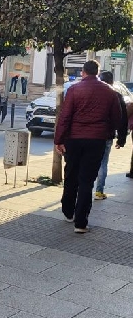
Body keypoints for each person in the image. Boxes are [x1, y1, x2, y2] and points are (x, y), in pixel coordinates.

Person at [54, 60, 122, 234]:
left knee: (71, 175)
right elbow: (116, 118)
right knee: (87, 181)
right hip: (96, 140)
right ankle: (81, 223)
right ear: (97, 73)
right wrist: (108, 133)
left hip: (74, 139)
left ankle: (68, 212)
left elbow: (65, 117)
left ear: (83, 72)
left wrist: (59, 140)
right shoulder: (110, 92)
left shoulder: (74, 90)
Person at [94, 71, 127, 200]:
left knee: (89, 162)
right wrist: (121, 139)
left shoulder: (93, 93)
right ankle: (99, 191)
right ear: (112, 82)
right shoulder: (116, 95)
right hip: (107, 135)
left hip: (91, 134)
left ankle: (85, 188)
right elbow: (122, 119)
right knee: (103, 163)